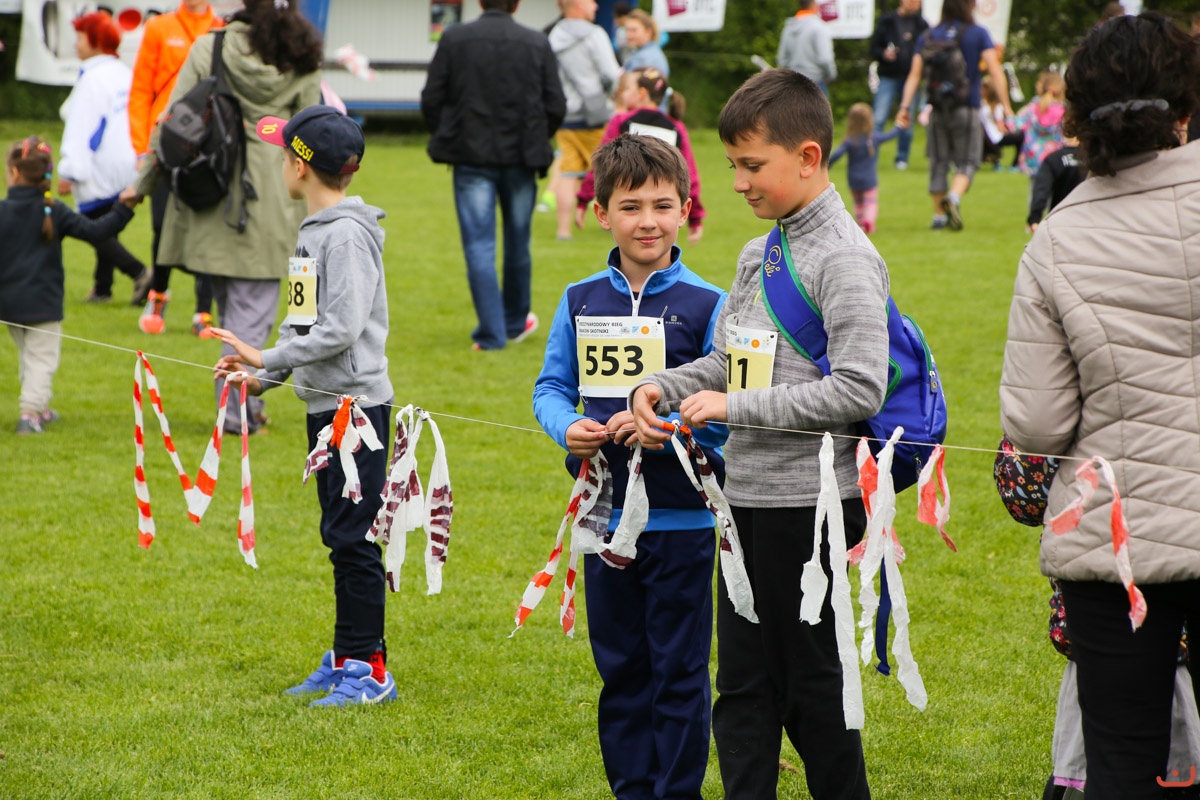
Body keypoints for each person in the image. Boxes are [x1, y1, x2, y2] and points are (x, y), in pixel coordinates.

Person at [631, 68, 888, 800]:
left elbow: (859, 388)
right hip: (743, 502)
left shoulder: (844, 256)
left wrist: (733, 408)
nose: (738, 183)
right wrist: (662, 385)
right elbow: (727, 361)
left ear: (808, 157)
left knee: (812, 692)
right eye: (732, 167)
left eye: (752, 165)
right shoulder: (759, 252)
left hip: (810, 508)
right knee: (742, 690)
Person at [999, 13, 1200, 800]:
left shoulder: (1059, 236)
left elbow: (1037, 425)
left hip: (1119, 537)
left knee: (1120, 766)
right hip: (1118, 539)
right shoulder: (1062, 233)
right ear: (1184, 104)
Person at [533, 132, 728, 800]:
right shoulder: (580, 298)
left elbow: (726, 415)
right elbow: (550, 388)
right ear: (600, 213)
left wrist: (671, 429)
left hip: (681, 522)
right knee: (621, 670)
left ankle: (677, 792)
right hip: (604, 520)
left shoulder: (710, 304)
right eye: (631, 206)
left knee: (679, 672)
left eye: (663, 205)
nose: (648, 221)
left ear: (686, 211)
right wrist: (568, 427)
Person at [211, 105, 395, 707]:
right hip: (326, 406)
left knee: (354, 538)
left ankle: (370, 672)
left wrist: (264, 356)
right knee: (339, 535)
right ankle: (346, 657)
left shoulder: (344, 236)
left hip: (356, 411)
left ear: (299, 166)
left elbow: (341, 328)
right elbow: (303, 324)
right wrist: (261, 378)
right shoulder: (314, 231)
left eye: (285, 154)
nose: (282, 163)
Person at [135, 0, 322, 433]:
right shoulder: (302, 55)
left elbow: (172, 121)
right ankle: (238, 413)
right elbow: (311, 132)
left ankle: (242, 408)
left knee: (234, 310)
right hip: (275, 194)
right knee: (251, 313)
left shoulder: (211, 46)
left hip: (211, 188)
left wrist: (141, 184)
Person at [420, 0, 565, 351]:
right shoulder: (536, 41)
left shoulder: (455, 39)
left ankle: (491, 333)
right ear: (517, 4)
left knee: (479, 246)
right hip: (522, 157)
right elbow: (556, 104)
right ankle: (514, 323)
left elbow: (432, 98)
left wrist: (450, 133)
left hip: (471, 156)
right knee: (518, 243)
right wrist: (537, 135)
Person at [1, 137, 137, 434]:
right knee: (41, 359)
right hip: (43, 305)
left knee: (29, 356)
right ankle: (30, 413)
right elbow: (97, 231)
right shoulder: (56, 210)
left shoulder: (9, 210)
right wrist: (124, 208)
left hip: (8, 305)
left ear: (14, 172)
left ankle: (40, 407)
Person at [127, 0, 223, 336]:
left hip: (208, 145)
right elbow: (141, 90)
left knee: (208, 225)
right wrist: (142, 148)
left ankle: (203, 311)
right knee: (161, 222)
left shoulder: (222, 30)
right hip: (166, 143)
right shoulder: (159, 27)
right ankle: (158, 296)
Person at [58, 12, 151, 307]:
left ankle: (139, 272)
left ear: (96, 41)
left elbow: (81, 127)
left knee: (91, 226)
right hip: (128, 160)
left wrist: (70, 170)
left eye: (80, 37)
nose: (76, 44)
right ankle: (102, 287)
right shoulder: (122, 71)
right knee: (107, 222)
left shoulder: (92, 78)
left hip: (101, 163)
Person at [896, 0, 1011, 231]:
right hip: (966, 107)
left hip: (938, 108)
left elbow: (915, 75)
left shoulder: (929, 35)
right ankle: (954, 197)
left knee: (938, 161)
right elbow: (995, 71)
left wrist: (904, 107)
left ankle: (938, 217)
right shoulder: (978, 33)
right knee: (968, 161)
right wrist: (1007, 107)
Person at [575, 68, 704, 244]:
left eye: (628, 89)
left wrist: (583, 200)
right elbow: (690, 175)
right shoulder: (675, 127)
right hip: (663, 215)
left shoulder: (621, 121)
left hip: (628, 207)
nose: (624, 94)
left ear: (642, 93)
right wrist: (695, 217)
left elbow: (600, 167)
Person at [549, 0, 622, 241]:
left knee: (568, 172)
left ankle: (563, 230)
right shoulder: (595, 34)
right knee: (609, 170)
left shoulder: (554, 35)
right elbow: (611, 74)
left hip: (565, 115)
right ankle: (614, 225)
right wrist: (607, 95)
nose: (596, 6)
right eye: (591, 1)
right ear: (578, 4)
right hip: (595, 115)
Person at [868, 0, 928, 170]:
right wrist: (883, 54)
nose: (914, 4)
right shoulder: (887, 21)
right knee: (879, 117)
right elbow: (873, 47)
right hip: (888, 76)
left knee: (907, 119)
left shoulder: (922, 24)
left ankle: (902, 158)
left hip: (911, 78)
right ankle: (871, 158)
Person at [829, 101, 901, 234]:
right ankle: (868, 222)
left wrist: (827, 164)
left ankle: (861, 224)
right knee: (870, 203)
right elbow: (889, 135)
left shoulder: (849, 140)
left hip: (853, 179)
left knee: (858, 203)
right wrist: (899, 126)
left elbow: (837, 154)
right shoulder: (873, 138)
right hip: (869, 179)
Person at [777, 0, 837, 96]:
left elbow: (782, 60)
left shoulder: (789, 27)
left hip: (793, 84)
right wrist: (831, 75)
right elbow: (825, 59)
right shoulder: (819, 27)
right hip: (816, 84)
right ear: (813, 4)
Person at [1013, 70, 1065, 177]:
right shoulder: (1063, 110)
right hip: (1055, 156)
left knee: (1035, 186)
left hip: (1033, 157)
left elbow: (1016, 124)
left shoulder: (1033, 107)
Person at [1026, 135, 1082, 233]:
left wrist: (1035, 219)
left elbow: (1042, 190)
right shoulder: (1095, 159)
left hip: (1059, 220)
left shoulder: (1054, 158)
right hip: (1090, 220)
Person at [980, 75, 1023, 170]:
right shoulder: (997, 107)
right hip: (996, 137)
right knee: (1021, 138)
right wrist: (1010, 131)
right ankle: (1015, 165)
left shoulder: (981, 105)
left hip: (985, 137)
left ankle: (996, 161)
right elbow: (1001, 128)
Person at [620, 9, 669, 76]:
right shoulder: (652, 52)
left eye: (633, 30)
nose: (628, 35)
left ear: (648, 32)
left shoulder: (643, 60)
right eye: (627, 30)